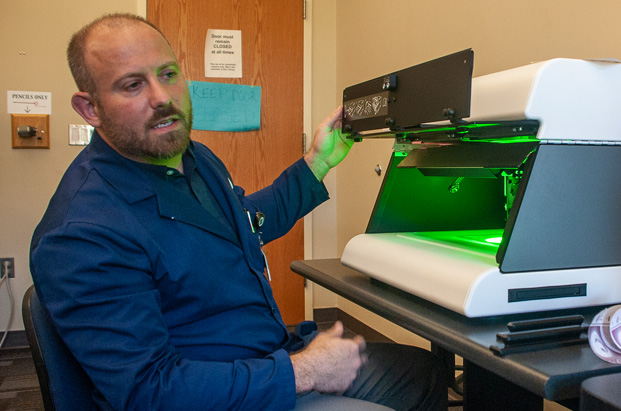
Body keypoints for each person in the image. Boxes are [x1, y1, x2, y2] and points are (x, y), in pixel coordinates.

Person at [29, 13, 447, 410]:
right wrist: (304, 371)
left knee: (424, 373)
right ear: (90, 108)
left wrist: (316, 164)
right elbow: (150, 393)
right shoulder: (81, 232)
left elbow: (241, 223)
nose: (162, 98)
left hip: (266, 356)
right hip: (217, 394)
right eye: (132, 85)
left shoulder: (194, 159)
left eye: (168, 75)